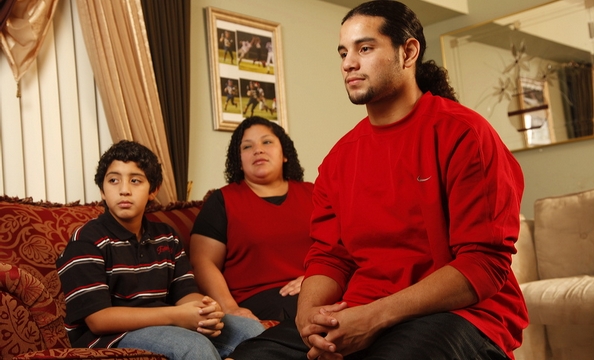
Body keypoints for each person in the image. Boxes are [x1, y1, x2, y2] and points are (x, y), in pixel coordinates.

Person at [227, 1, 528, 359]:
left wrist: (375, 317)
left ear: (408, 52)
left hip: (460, 315)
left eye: (365, 48)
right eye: (343, 52)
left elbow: (483, 262)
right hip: (359, 310)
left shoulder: (464, 134)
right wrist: (309, 319)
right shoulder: (339, 159)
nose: (348, 63)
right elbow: (329, 258)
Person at [56, 140, 264, 360]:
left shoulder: (166, 236)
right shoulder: (87, 240)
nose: (124, 190)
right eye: (113, 180)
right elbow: (98, 320)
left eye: (135, 181)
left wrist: (204, 309)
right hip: (109, 336)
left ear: (153, 191)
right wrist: (176, 316)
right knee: (192, 346)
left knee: (252, 332)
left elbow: (185, 294)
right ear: (103, 191)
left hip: (165, 322)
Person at [190, 116, 314, 323]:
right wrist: (230, 307)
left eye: (267, 142)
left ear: (284, 153)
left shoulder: (315, 193)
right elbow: (203, 261)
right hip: (259, 299)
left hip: (317, 288)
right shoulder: (221, 201)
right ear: (239, 160)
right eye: (247, 147)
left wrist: (317, 278)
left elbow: (342, 247)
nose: (258, 150)